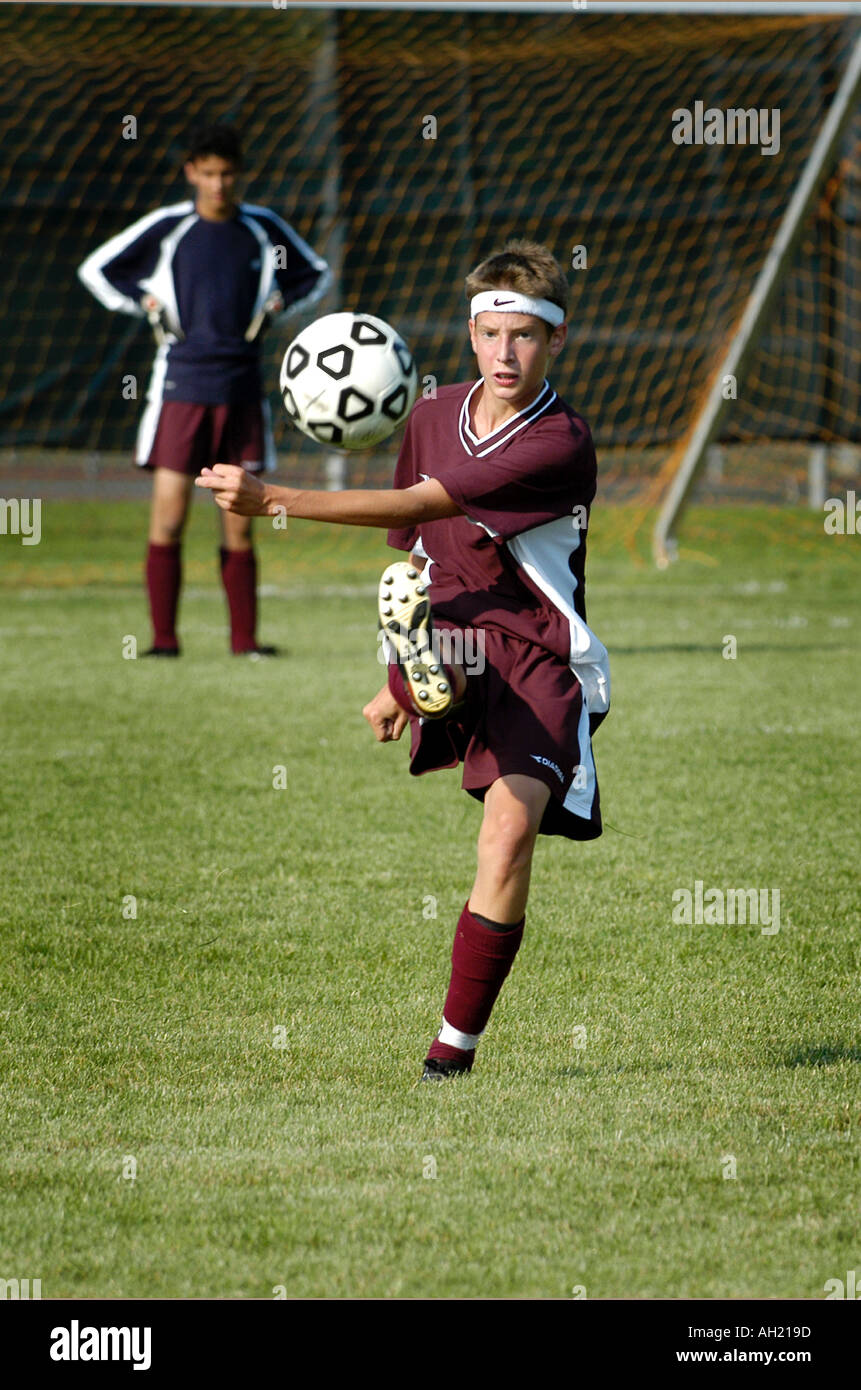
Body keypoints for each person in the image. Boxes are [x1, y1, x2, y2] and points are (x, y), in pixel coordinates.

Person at [196, 239, 610, 1080]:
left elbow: (425, 500)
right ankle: (422, 677)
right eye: (491, 334)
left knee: (508, 837)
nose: (506, 353)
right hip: (450, 620)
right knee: (424, 614)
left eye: (525, 336)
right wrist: (390, 683)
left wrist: (273, 497)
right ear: (469, 332)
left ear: (555, 341)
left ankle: (450, 1053)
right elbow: (417, 551)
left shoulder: (560, 439)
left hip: (539, 655)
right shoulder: (426, 415)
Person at [78, 123, 331, 656]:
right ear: (192, 172)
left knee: (240, 523)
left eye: (228, 174)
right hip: (180, 386)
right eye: (209, 173)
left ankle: (245, 643)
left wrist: (281, 302)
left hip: (241, 388)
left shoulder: (262, 227)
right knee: (169, 516)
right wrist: (144, 301)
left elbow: (316, 273)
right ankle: (164, 641)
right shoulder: (170, 227)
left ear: (241, 175)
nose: (219, 184)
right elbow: (98, 269)